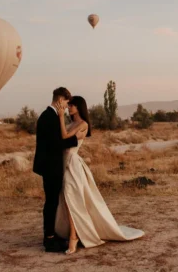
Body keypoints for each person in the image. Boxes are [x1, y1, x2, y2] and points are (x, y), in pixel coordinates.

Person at [53, 96, 145, 255]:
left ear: (79, 107)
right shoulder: (71, 123)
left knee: (70, 198)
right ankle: (74, 232)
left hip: (73, 164)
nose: (69, 108)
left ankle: (74, 236)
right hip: (63, 162)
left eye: (72, 105)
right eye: (68, 106)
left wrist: (60, 117)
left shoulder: (83, 124)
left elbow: (65, 137)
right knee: (67, 200)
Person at [33, 87, 86, 253]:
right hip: (51, 166)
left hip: (55, 165)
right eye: (66, 102)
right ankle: (49, 240)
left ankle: (52, 235)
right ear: (59, 100)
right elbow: (55, 143)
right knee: (51, 202)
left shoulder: (51, 116)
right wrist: (75, 141)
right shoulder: (49, 117)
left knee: (54, 202)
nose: (67, 106)